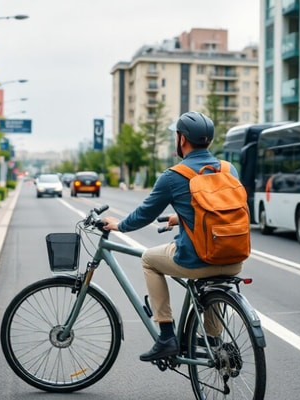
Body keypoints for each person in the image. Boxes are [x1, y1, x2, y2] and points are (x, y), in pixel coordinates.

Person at [101, 111, 244, 361]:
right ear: (208, 140)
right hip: (234, 259)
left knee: (148, 259)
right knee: (214, 279)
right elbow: (223, 208)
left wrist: (118, 225)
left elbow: (143, 215)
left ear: (182, 139)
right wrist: (183, 217)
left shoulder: (174, 175)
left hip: (198, 260)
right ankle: (212, 339)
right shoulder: (228, 169)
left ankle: (166, 336)